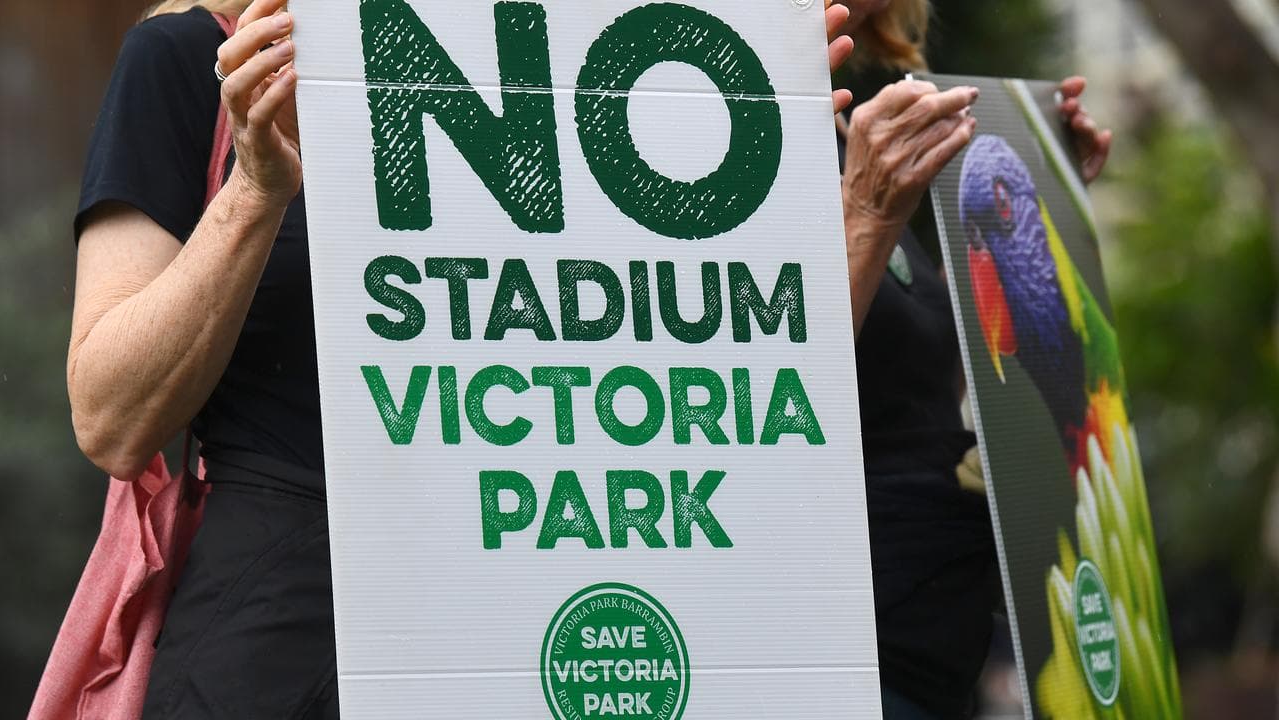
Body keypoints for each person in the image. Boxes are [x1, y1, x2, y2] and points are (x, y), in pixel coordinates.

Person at [66, 0, 867, 716]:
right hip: (289, 647)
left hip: (536, 636)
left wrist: (797, 190)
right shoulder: (193, 59)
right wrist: (255, 191)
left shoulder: (596, 65)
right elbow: (112, 421)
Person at [825, 1, 1112, 718]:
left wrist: (1023, 220)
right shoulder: (697, 142)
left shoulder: (842, 138)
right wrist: (866, 216)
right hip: (839, 658)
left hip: (932, 650)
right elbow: (754, 399)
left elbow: (912, 379)